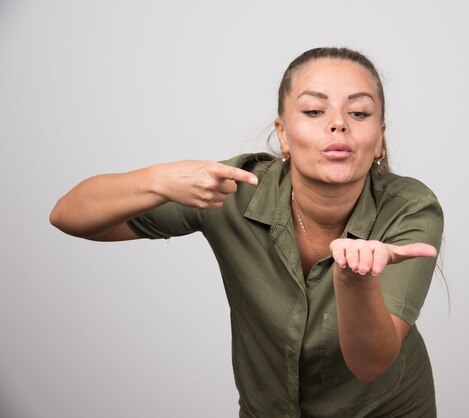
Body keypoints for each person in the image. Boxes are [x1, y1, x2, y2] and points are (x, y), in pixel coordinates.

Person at [50, 47, 444, 417]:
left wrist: (355, 283)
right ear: (283, 134)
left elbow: (371, 364)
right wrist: (158, 179)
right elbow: (68, 215)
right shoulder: (232, 189)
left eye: (358, 113)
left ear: (379, 137)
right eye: (313, 110)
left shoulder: (411, 208)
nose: (338, 123)